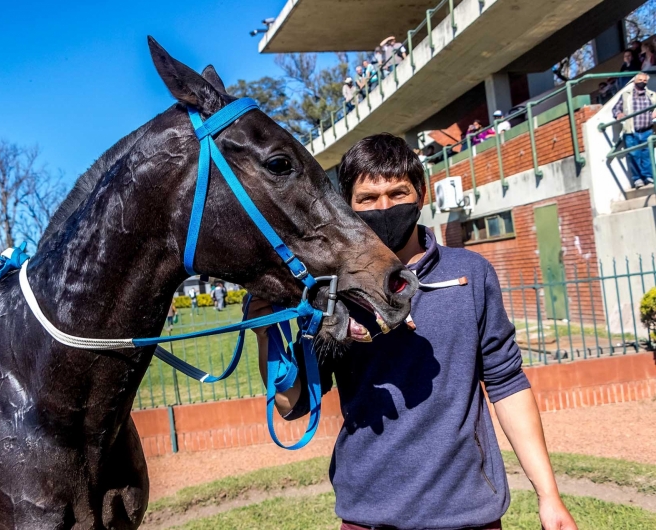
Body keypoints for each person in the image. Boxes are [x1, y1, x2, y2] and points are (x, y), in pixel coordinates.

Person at [248, 133, 577, 530]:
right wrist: (265, 334)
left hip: (469, 512)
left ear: (421, 194)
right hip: (368, 515)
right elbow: (292, 404)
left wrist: (549, 496)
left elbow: (507, 383)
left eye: (397, 193)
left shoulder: (470, 273)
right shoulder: (327, 291)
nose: (384, 207)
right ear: (346, 204)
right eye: (368, 198)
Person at [612, 71, 656, 188]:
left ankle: (649, 176)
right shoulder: (626, 95)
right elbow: (616, 108)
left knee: (647, 154)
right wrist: (618, 114)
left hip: (647, 130)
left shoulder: (651, 95)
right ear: (635, 81)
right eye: (640, 80)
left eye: (645, 81)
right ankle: (638, 179)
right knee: (634, 155)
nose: (642, 82)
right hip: (631, 131)